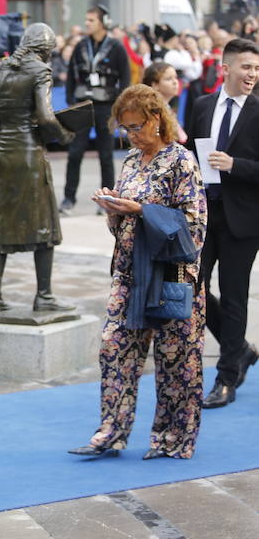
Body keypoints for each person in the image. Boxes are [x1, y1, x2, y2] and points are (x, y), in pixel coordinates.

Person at [69, 84, 206, 460]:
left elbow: (194, 228)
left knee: (176, 359)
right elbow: (122, 228)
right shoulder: (131, 161)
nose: (131, 135)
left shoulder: (181, 161)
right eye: (125, 128)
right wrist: (114, 210)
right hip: (128, 273)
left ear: (157, 119)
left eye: (136, 127)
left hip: (170, 275)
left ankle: (173, 438)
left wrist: (141, 210)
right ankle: (110, 432)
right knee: (114, 349)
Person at [185, 38, 259, 408]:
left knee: (234, 298)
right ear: (225, 69)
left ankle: (227, 378)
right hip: (202, 215)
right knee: (191, 287)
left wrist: (236, 166)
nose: (253, 75)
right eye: (247, 67)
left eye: (257, 69)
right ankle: (240, 349)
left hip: (243, 221)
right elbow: (187, 157)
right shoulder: (201, 105)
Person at [0, 23, 75, 313]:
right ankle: (44, 295)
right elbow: (46, 116)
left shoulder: (3, 69)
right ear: (45, 48)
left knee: (0, 226)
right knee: (44, 224)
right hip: (27, 156)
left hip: (1, 153)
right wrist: (65, 135)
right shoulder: (40, 70)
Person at [62, 5, 130, 214]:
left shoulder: (116, 47)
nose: (87, 24)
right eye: (87, 20)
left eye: (91, 20)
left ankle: (107, 200)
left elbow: (125, 78)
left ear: (102, 22)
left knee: (106, 154)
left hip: (106, 106)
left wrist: (119, 107)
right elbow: (71, 76)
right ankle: (68, 198)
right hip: (83, 105)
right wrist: (71, 101)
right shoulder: (81, 45)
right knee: (75, 153)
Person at [143, 62, 187, 144]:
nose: (175, 82)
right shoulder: (153, 112)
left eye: (176, 78)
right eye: (169, 79)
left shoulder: (166, 108)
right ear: (155, 85)